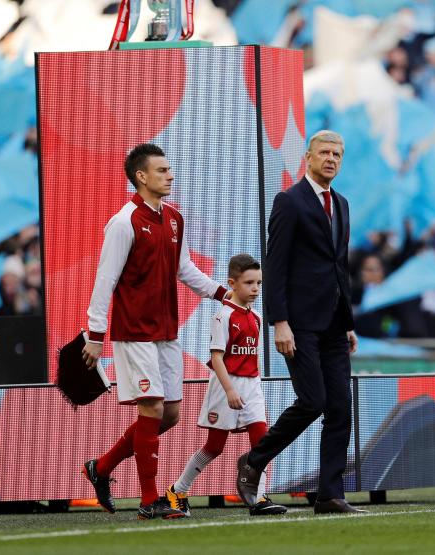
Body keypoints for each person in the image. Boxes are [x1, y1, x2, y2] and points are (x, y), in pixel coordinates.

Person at [80, 143, 227, 520]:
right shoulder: (123, 221)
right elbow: (104, 280)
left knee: (171, 415)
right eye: (162, 170)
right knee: (153, 407)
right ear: (141, 176)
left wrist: (222, 294)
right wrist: (96, 336)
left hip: (166, 332)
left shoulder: (174, 218)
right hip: (134, 334)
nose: (170, 175)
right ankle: (149, 500)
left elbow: (185, 269)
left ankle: (102, 468)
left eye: (169, 169)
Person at [235, 130, 361, 515]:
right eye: (324, 152)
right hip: (300, 323)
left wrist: (349, 321)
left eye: (337, 154)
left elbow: (339, 267)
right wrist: (280, 322)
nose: (331, 159)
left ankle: (329, 494)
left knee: (340, 407)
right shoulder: (289, 201)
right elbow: (276, 264)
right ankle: (254, 461)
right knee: (314, 401)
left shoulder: (341, 204)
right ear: (307, 157)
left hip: (335, 324)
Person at [166, 254, 287, 517]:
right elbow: (217, 358)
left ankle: (258, 497)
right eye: (248, 283)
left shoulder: (254, 316)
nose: (255, 289)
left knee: (262, 442)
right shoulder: (223, 316)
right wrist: (230, 389)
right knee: (214, 447)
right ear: (232, 283)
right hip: (225, 386)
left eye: (258, 283)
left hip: (251, 386)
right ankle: (177, 490)